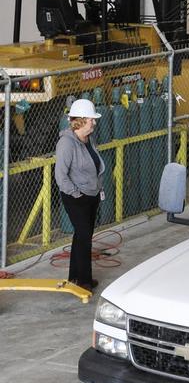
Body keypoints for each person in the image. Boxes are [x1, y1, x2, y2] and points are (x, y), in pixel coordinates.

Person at [54, 98, 105, 291]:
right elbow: (61, 176)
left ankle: (74, 276)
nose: (94, 122)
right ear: (81, 120)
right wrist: (76, 194)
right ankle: (84, 282)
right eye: (92, 119)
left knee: (82, 235)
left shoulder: (88, 140)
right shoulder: (66, 144)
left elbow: (94, 165)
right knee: (84, 237)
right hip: (76, 198)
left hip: (91, 195)